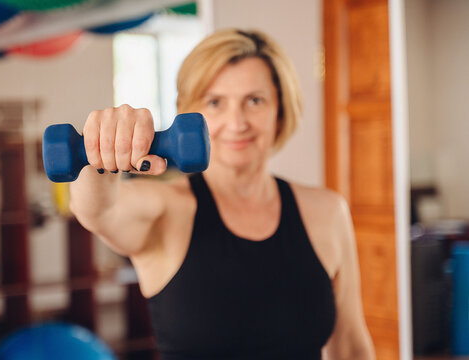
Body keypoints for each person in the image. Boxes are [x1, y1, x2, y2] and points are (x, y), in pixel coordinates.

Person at [70, 28, 375, 360]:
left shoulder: (328, 212)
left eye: (255, 101)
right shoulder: (164, 209)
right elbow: (98, 211)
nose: (236, 122)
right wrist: (99, 156)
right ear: (188, 112)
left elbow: (350, 346)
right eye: (215, 102)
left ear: (280, 111)